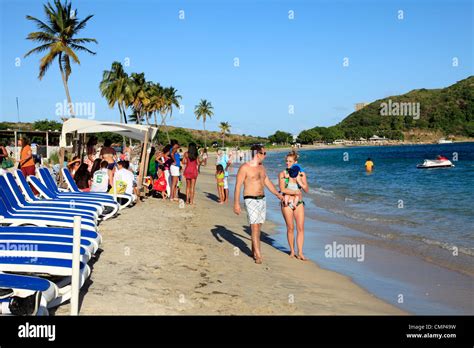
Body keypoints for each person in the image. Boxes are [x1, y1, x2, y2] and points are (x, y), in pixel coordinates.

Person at [233, 144, 283, 264]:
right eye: (263, 153)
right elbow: (238, 186)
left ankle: (253, 249)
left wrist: (277, 194)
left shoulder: (262, 168)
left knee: (258, 227)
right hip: (250, 198)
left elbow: (267, 182)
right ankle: (258, 255)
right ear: (257, 154)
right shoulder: (244, 168)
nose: (265, 156)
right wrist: (236, 203)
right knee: (254, 226)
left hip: (262, 199)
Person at [279, 151, 309, 260]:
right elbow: (282, 189)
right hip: (287, 203)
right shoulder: (283, 174)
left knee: (300, 228)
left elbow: (306, 189)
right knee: (290, 228)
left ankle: (300, 252)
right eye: (286, 161)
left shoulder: (301, 174)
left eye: (290, 161)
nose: (287, 163)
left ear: (296, 162)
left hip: (299, 204)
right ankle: (292, 251)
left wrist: (300, 182)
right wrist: (295, 192)